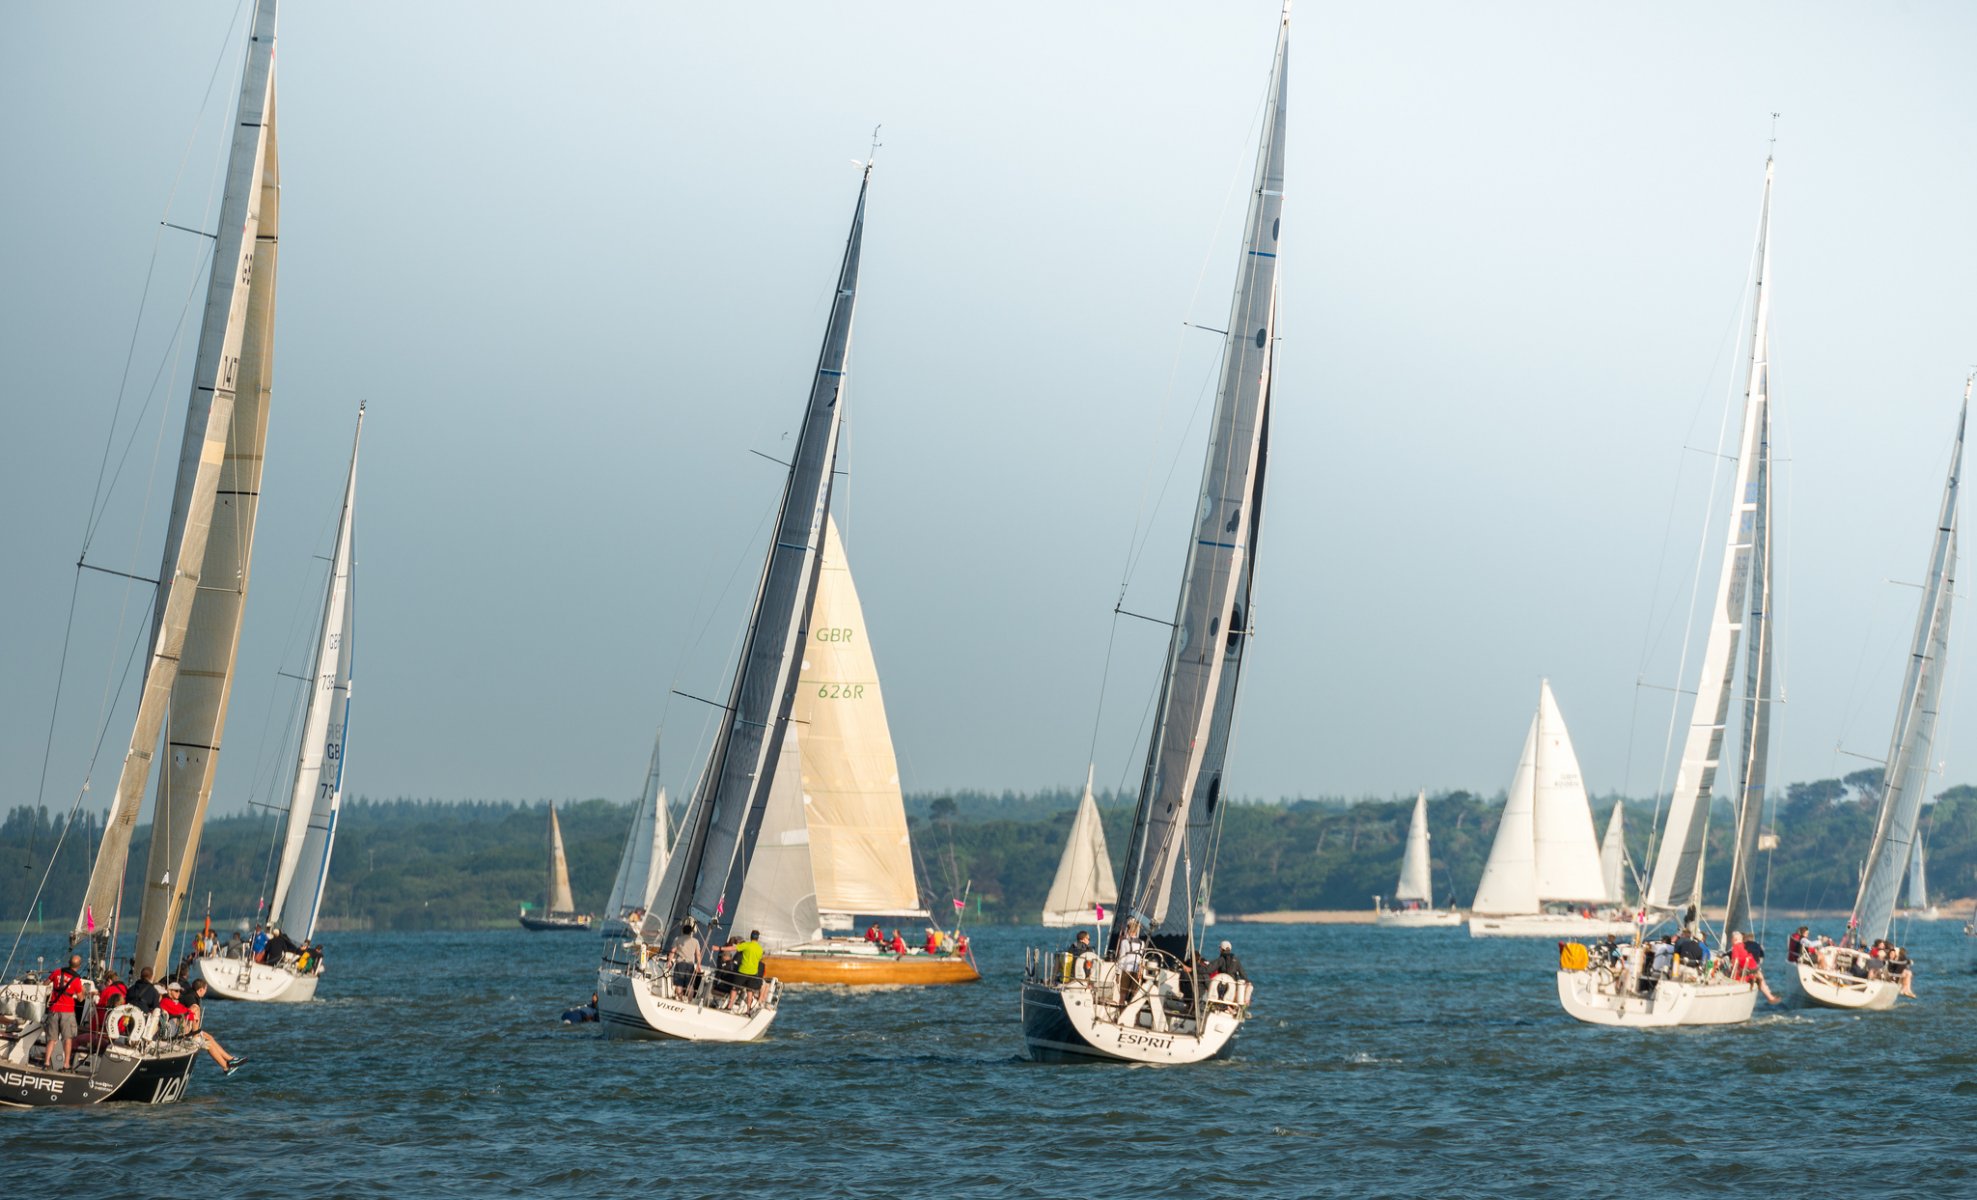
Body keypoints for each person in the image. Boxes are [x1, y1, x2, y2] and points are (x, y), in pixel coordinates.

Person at [165, 980, 243, 1074]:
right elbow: (184, 1013)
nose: (179, 993)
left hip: (184, 1026)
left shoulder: (178, 1001)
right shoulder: (177, 1000)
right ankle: (226, 1065)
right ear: (169, 991)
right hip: (179, 1030)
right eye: (176, 991)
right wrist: (193, 1016)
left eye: (179, 991)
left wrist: (191, 1016)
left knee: (209, 1038)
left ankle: (229, 1061)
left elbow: (183, 1011)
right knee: (207, 1042)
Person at [42, 953, 88, 1071]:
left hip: (53, 1010)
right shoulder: (76, 980)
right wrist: (83, 990)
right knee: (67, 1039)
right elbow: (80, 999)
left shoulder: (57, 972)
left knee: (52, 1039)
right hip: (67, 1012)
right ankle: (66, 1064)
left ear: (69, 963)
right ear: (79, 966)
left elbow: (45, 984)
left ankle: (46, 1063)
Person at [666, 918, 702, 1001]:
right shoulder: (695, 941)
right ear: (691, 932)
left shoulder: (677, 939)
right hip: (690, 965)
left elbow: (673, 951)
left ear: (683, 931)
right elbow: (698, 954)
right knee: (690, 985)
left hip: (680, 963)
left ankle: (680, 999)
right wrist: (699, 965)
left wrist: (669, 961)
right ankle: (689, 1001)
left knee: (679, 983)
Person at [733, 930, 766, 1011]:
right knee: (751, 991)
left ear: (751, 936)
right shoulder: (760, 949)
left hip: (743, 973)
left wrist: (720, 948)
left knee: (735, 988)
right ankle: (750, 1008)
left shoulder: (746, 946)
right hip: (754, 977)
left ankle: (729, 1006)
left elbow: (734, 948)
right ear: (758, 938)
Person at [1115, 917, 1146, 1002]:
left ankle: (1121, 1009)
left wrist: (1118, 973)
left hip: (1126, 971)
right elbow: (1141, 958)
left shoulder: (1124, 942)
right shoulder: (1142, 943)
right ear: (1136, 930)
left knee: (1123, 995)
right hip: (1136, 971)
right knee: (1133, 995)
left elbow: (1121, 958)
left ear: (1128, 929)